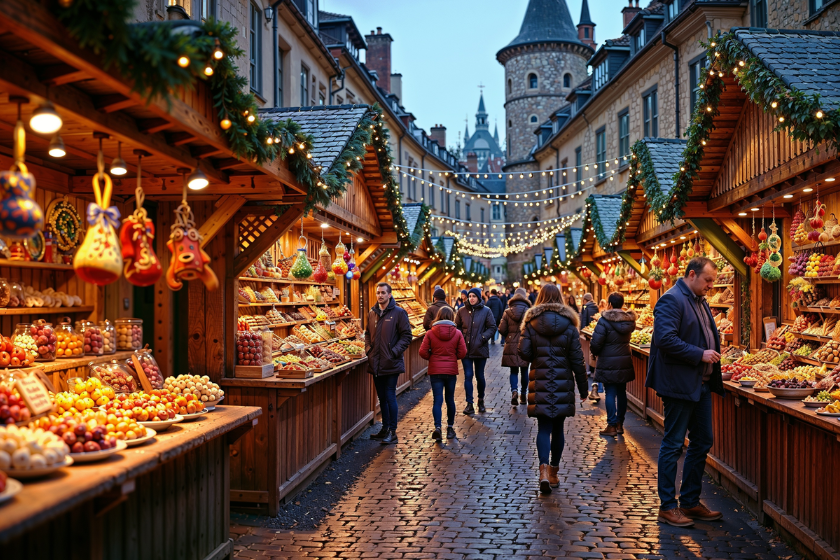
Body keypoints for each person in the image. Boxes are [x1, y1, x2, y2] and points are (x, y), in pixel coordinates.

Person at [646, 257, 724, 527]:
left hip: (700, 384)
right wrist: (700, 353)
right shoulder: (672, 299)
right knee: (673, 443)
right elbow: (665, 339)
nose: (710, 286)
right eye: (708, 280)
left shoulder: (700, 300)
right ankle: (668, 506)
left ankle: (689, 501)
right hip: (679, 385)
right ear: (692, 274)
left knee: (703, 441)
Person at [518, 283, 588, 495]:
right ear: (560, 298)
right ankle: (555, 472)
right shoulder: (569, 324)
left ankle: (543, 471)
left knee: (543, 428)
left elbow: (523, 352)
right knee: (558, 428)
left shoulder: (531, 323)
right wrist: (583, 388)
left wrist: (537, 355)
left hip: (539, 380)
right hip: (562, 382)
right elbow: (577, 359)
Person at [365, 282, 413, 445]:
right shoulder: (372, 313)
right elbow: (367, 333)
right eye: (378, 292)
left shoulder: (399, 313)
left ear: (389, 295)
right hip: (376, 362)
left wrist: (393, 352)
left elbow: (407, 336)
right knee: (382, 398)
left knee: (390, 396)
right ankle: (385, 428)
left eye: (383, 293)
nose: (380, 295)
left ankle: (392, 431)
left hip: (391, 362)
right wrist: (368, 349)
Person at [590, 292, 636, 437]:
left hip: (608, 362)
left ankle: (611, 425)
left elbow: (596, 344)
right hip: (624, 361)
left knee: (610, 393)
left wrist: (595, 352)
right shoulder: (629, 321)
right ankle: (620, 424)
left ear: (609, 304)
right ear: (622, 304)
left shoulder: (604, 321)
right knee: (622, 393)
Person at [419, 306, 466, 440]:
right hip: (451, 371)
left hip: (435, 371)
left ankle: (438, 427)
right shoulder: (457, 333)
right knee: (450, 399)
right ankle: (450, 428)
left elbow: (422, 352)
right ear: (452, 317)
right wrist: (453, 358)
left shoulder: (430, 333)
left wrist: (432, 358)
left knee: (437, 400)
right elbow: (462, 352)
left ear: (438, 316)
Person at [455, 287, 496, 415]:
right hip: (466, 349)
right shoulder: (462, 311)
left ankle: (481, 400)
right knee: (468, 376)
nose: (471, 298)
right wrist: (461, 338)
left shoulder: (486, 311)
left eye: (474, 296)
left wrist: (482, 338)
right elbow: (457, 327)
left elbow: (492, 327)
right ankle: (469, 403)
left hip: (480, 348)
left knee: (479, 376)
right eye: (470, 296)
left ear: (478, 297)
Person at [498, 287, 531, 406]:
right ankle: (523, 395)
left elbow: (502, 329)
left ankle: (514, 391)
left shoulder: (507, 311)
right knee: (524, 370)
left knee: (513, 370)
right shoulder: (529, 312)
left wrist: (509, 336)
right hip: (525, 344)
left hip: (511, 345)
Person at [579, 293, 601, 401]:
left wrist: (582, 330)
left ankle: (594, 383)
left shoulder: (585, 307)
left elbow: (583, 319)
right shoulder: (596, 306)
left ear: (585, 299)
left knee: (589, 354)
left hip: (588, 332)